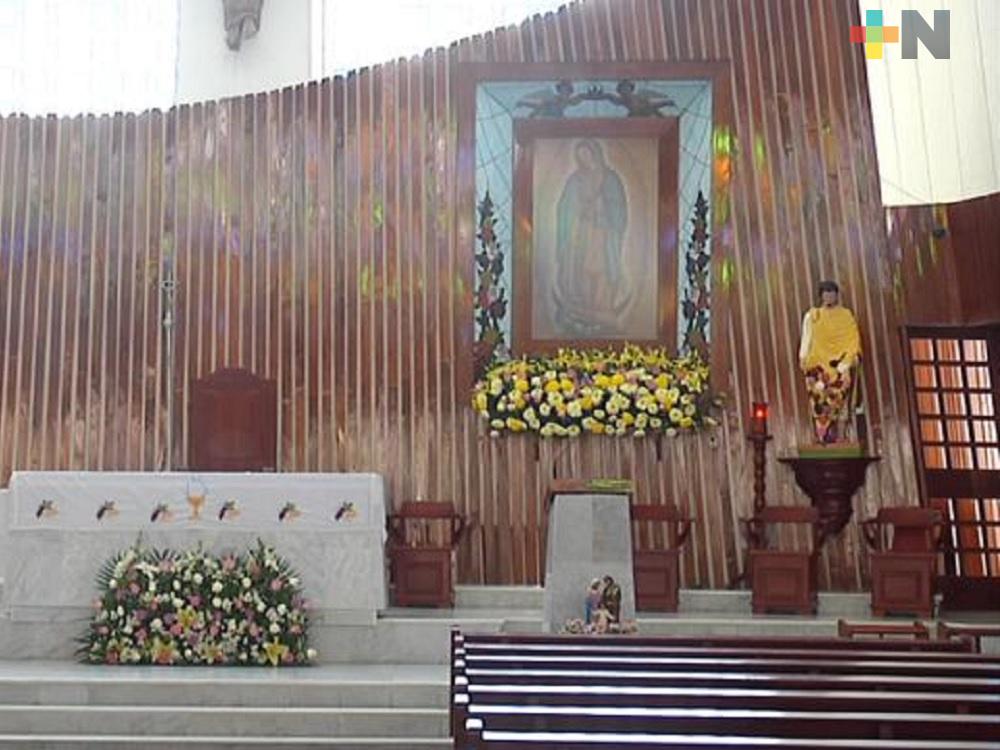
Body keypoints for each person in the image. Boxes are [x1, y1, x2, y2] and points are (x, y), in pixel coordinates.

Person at [552, 139, 630, 336]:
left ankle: (603, 310)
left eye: (587, 155)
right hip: (582, 234)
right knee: (582, 270)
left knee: (601, 270)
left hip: (603, 234)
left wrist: (601, 208)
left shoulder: (610, 179)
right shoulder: (575, 180)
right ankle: (584, 311)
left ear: (595, 153)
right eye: (580, 157)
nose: (585, 160)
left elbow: (619, 208)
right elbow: (564, 209)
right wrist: (575, 214)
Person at [799, 281, 862, 444]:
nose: (829, 296)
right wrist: (804, 357)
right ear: (821, 296)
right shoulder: (813, 315)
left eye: (832, 293)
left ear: (837, 295)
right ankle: (820, 437)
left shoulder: (846, 315)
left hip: (840, 365)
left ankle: (841, 436)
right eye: (825, 293)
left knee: (841, 400)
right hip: (819, 365)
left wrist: (847, 361)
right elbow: (807, 339)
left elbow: (852, 340)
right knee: (818, 400)